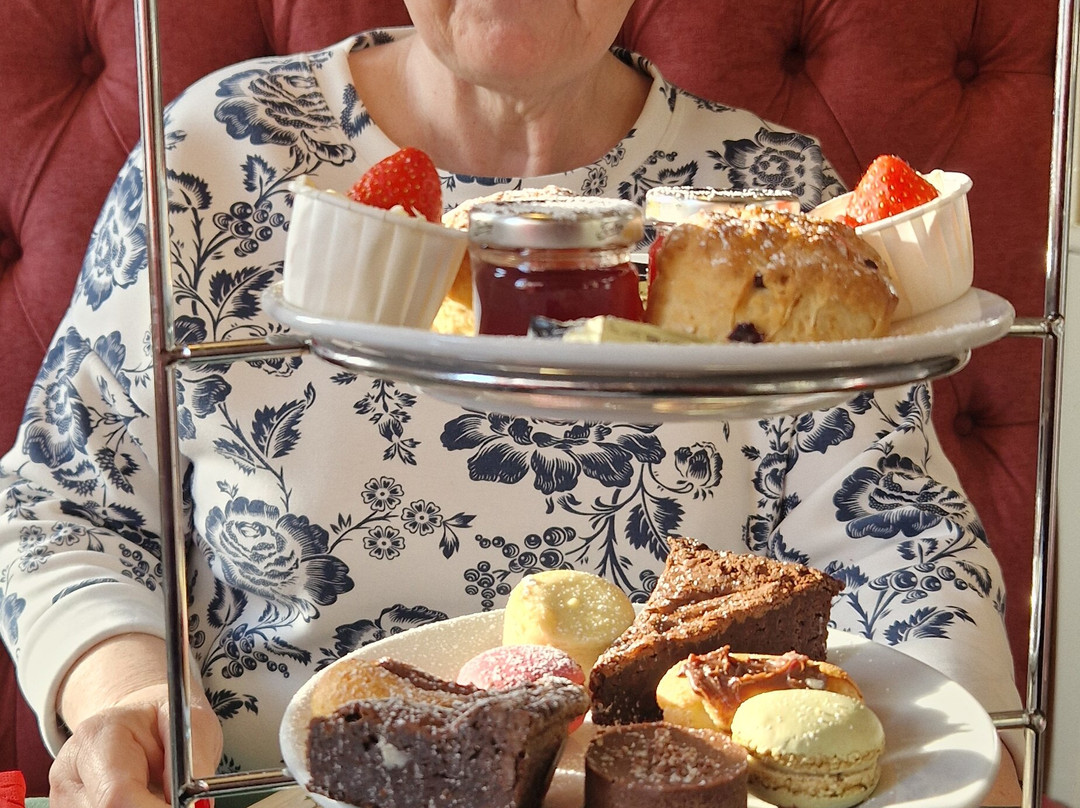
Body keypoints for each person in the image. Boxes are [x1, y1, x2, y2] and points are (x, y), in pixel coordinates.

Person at [0, 1, 1023, 805]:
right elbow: (64, 503)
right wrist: (130, 697)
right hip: (277, 785)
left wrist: (963, 762)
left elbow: (905, 546)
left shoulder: (771, 207)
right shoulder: (219, 155)